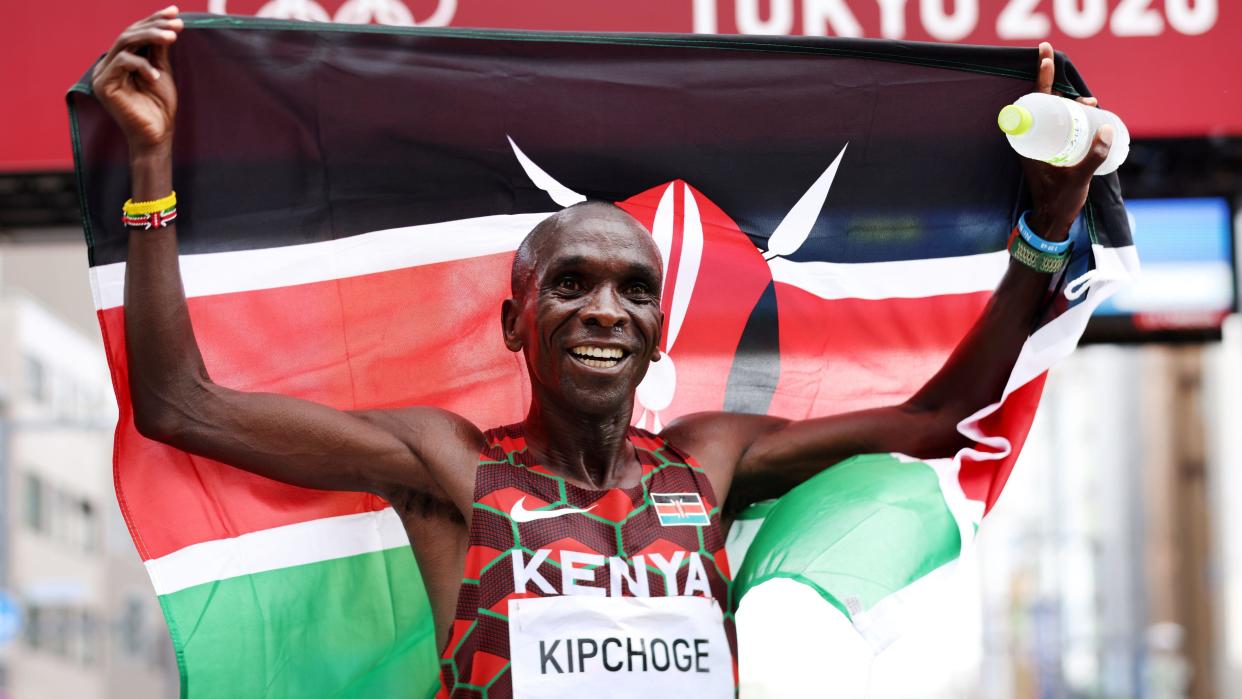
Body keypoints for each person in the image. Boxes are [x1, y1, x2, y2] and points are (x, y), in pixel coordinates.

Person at [93, 6, 1114, 697]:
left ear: (658, 332)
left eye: (634, 290)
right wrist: (149, 163)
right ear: (515, 326)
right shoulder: (448, 462)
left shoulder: (706, 462)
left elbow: (935, 422)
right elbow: (182, 406)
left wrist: (1046, 231)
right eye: (569, 284)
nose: (604, 311)